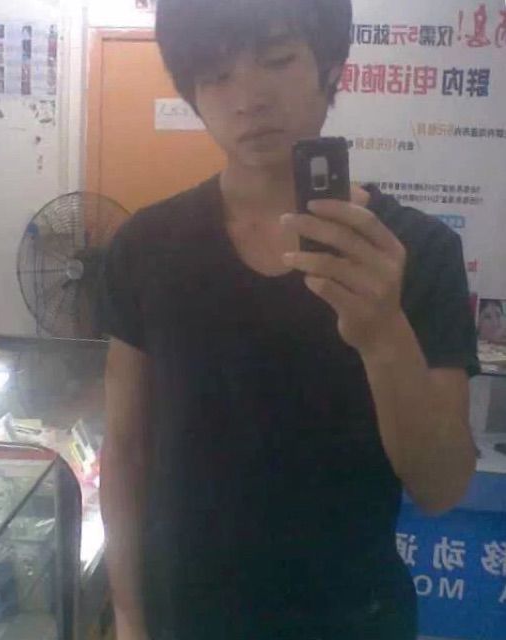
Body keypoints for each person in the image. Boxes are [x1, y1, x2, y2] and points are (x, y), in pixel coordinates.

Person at [100, 1, 480, 638]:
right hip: (183, 617)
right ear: (192, 93)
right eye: (217, 76)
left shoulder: (416, 251)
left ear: (330, 66)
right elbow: (126, 448)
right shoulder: (146, 245)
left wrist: (383, 334)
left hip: (351, 619)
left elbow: (441, 486)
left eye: (277, 60)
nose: (249, 98)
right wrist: (130, 616)